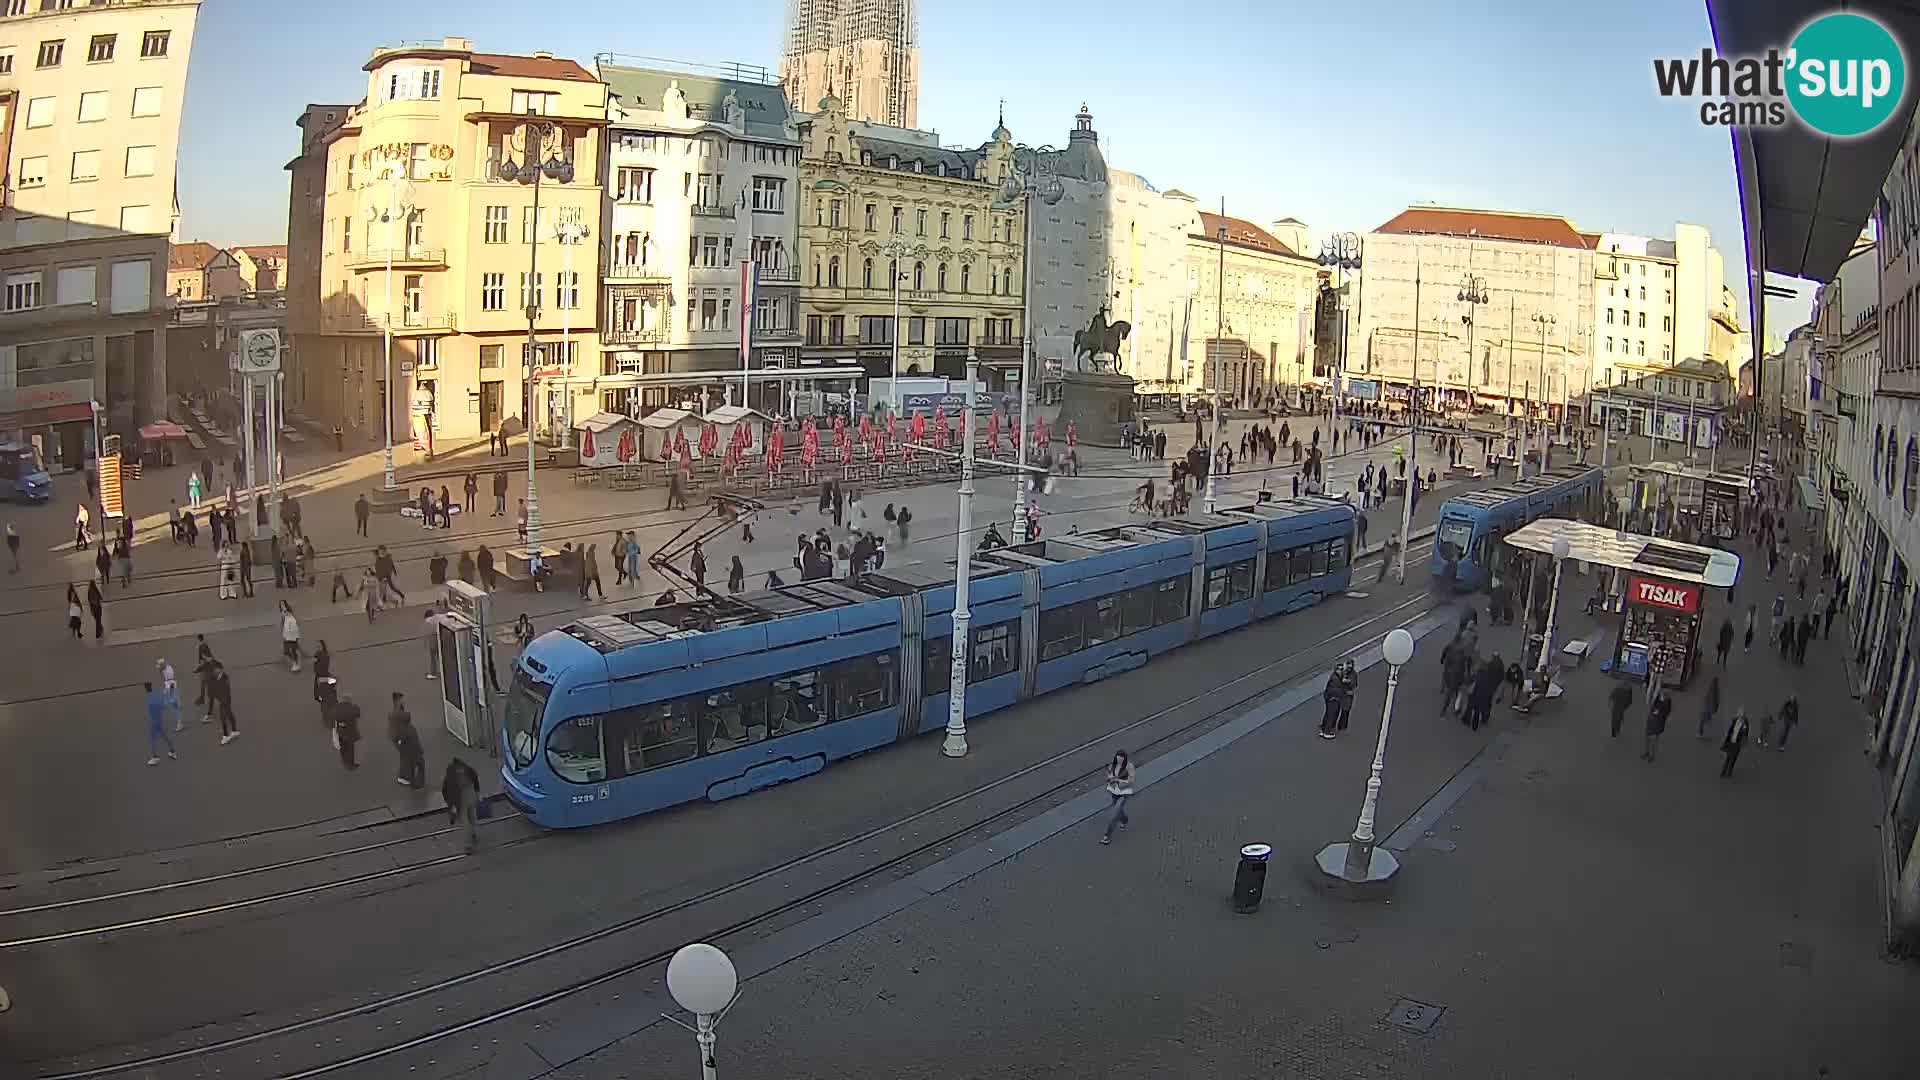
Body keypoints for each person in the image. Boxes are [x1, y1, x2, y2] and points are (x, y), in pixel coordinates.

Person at [443, 757, 482, 853]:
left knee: (464, 822)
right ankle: (475, 834)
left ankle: (468, 845)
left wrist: (450, 805)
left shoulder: (451, 774)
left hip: (459, 799)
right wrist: (477, 794)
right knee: (473, 816)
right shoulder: (468, 769)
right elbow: (476, 780)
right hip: (470, 794)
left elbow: (445, 790)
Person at [390, 692, 426, 788]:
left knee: (409, 760)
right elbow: (399, 729)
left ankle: (406, 778)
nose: (404, 701)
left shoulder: (397, 713)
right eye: (402, 700)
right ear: (398, 701)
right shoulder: (398, 715)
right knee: (416, 761)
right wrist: (400, 740)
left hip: (407, 741)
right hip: (408, 741)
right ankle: (414, 782)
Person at [1099, 749, 1135, 845]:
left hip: (1124, 792)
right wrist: (1110, 779)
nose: (1119, 761)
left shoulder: (1129, 766)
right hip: (1114, 791)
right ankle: (1124, 820)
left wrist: (1119, 780)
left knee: (1114, 813)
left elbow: (1131, 780)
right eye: (1118, 758)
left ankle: (1107, 836)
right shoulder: (1112, 766)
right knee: (1119, 810)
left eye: (1121, 759)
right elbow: (1108, 777)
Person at [144, 682, 177, 765]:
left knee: (153, 739)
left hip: (155, 722)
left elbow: (152, 712)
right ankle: (172, 751)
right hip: (159, 720)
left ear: (146, 689)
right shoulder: (156, 693)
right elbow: (164, 700)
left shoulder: (150, 700)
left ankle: (155, 757)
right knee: (164, 736)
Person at [208, 660, 238, 743]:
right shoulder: (214, 676)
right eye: (214, 670)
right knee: (229, 714)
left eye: (216, 669)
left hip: (225, 700)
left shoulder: (224, 678)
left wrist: (222, 701)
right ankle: (234, 731)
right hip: (222, 699)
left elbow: (226, 691)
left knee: (223, 717)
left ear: (221, 669)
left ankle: (226, 736)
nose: (215, 671)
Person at [331, 691, 362, 769]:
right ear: (349, 700)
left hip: (341, 731)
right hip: (350, 732)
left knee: (343, 748)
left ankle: (345, 762)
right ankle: (350, 764)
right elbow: (357, 714)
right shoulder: (352, 707)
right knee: (350, 749)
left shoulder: (337, 707)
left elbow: (334, 717)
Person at [1721, 708, 1751, 778]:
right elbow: (1730, 729)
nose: (1740, 716)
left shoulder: (1745, 723)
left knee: (1733, 757)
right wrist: (1727, 736)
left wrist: (1744, 737)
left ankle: (1729, 771)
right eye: (1739, 714)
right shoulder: (1735, 720)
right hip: (1731, 741)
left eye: (1741, 715)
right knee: (1728, 757)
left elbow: (1746, 733)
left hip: (1737, 743)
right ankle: (1723, 772)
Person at [280, 601, 302, 671]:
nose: (282, 606)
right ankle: (295, 663)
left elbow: (294, 624)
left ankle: (296, 663)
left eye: (283, 604)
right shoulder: (283, 613)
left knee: (293, 650)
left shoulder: (289, 614)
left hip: (292, 636)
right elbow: (283, 624)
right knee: (287, 651)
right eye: (281, 605)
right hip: (287, 635)